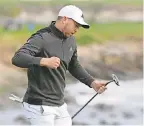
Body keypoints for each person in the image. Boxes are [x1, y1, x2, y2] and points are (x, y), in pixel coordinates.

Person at [11, 5, 107, 126]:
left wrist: (92, 83)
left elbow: (73, 65)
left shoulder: (71, 40)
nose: (77, 29)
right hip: (39, 106)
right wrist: (44, 61)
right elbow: (17, 58)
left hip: (60, 104)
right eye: (76, 25)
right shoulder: (42, 37)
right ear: (65, 19)